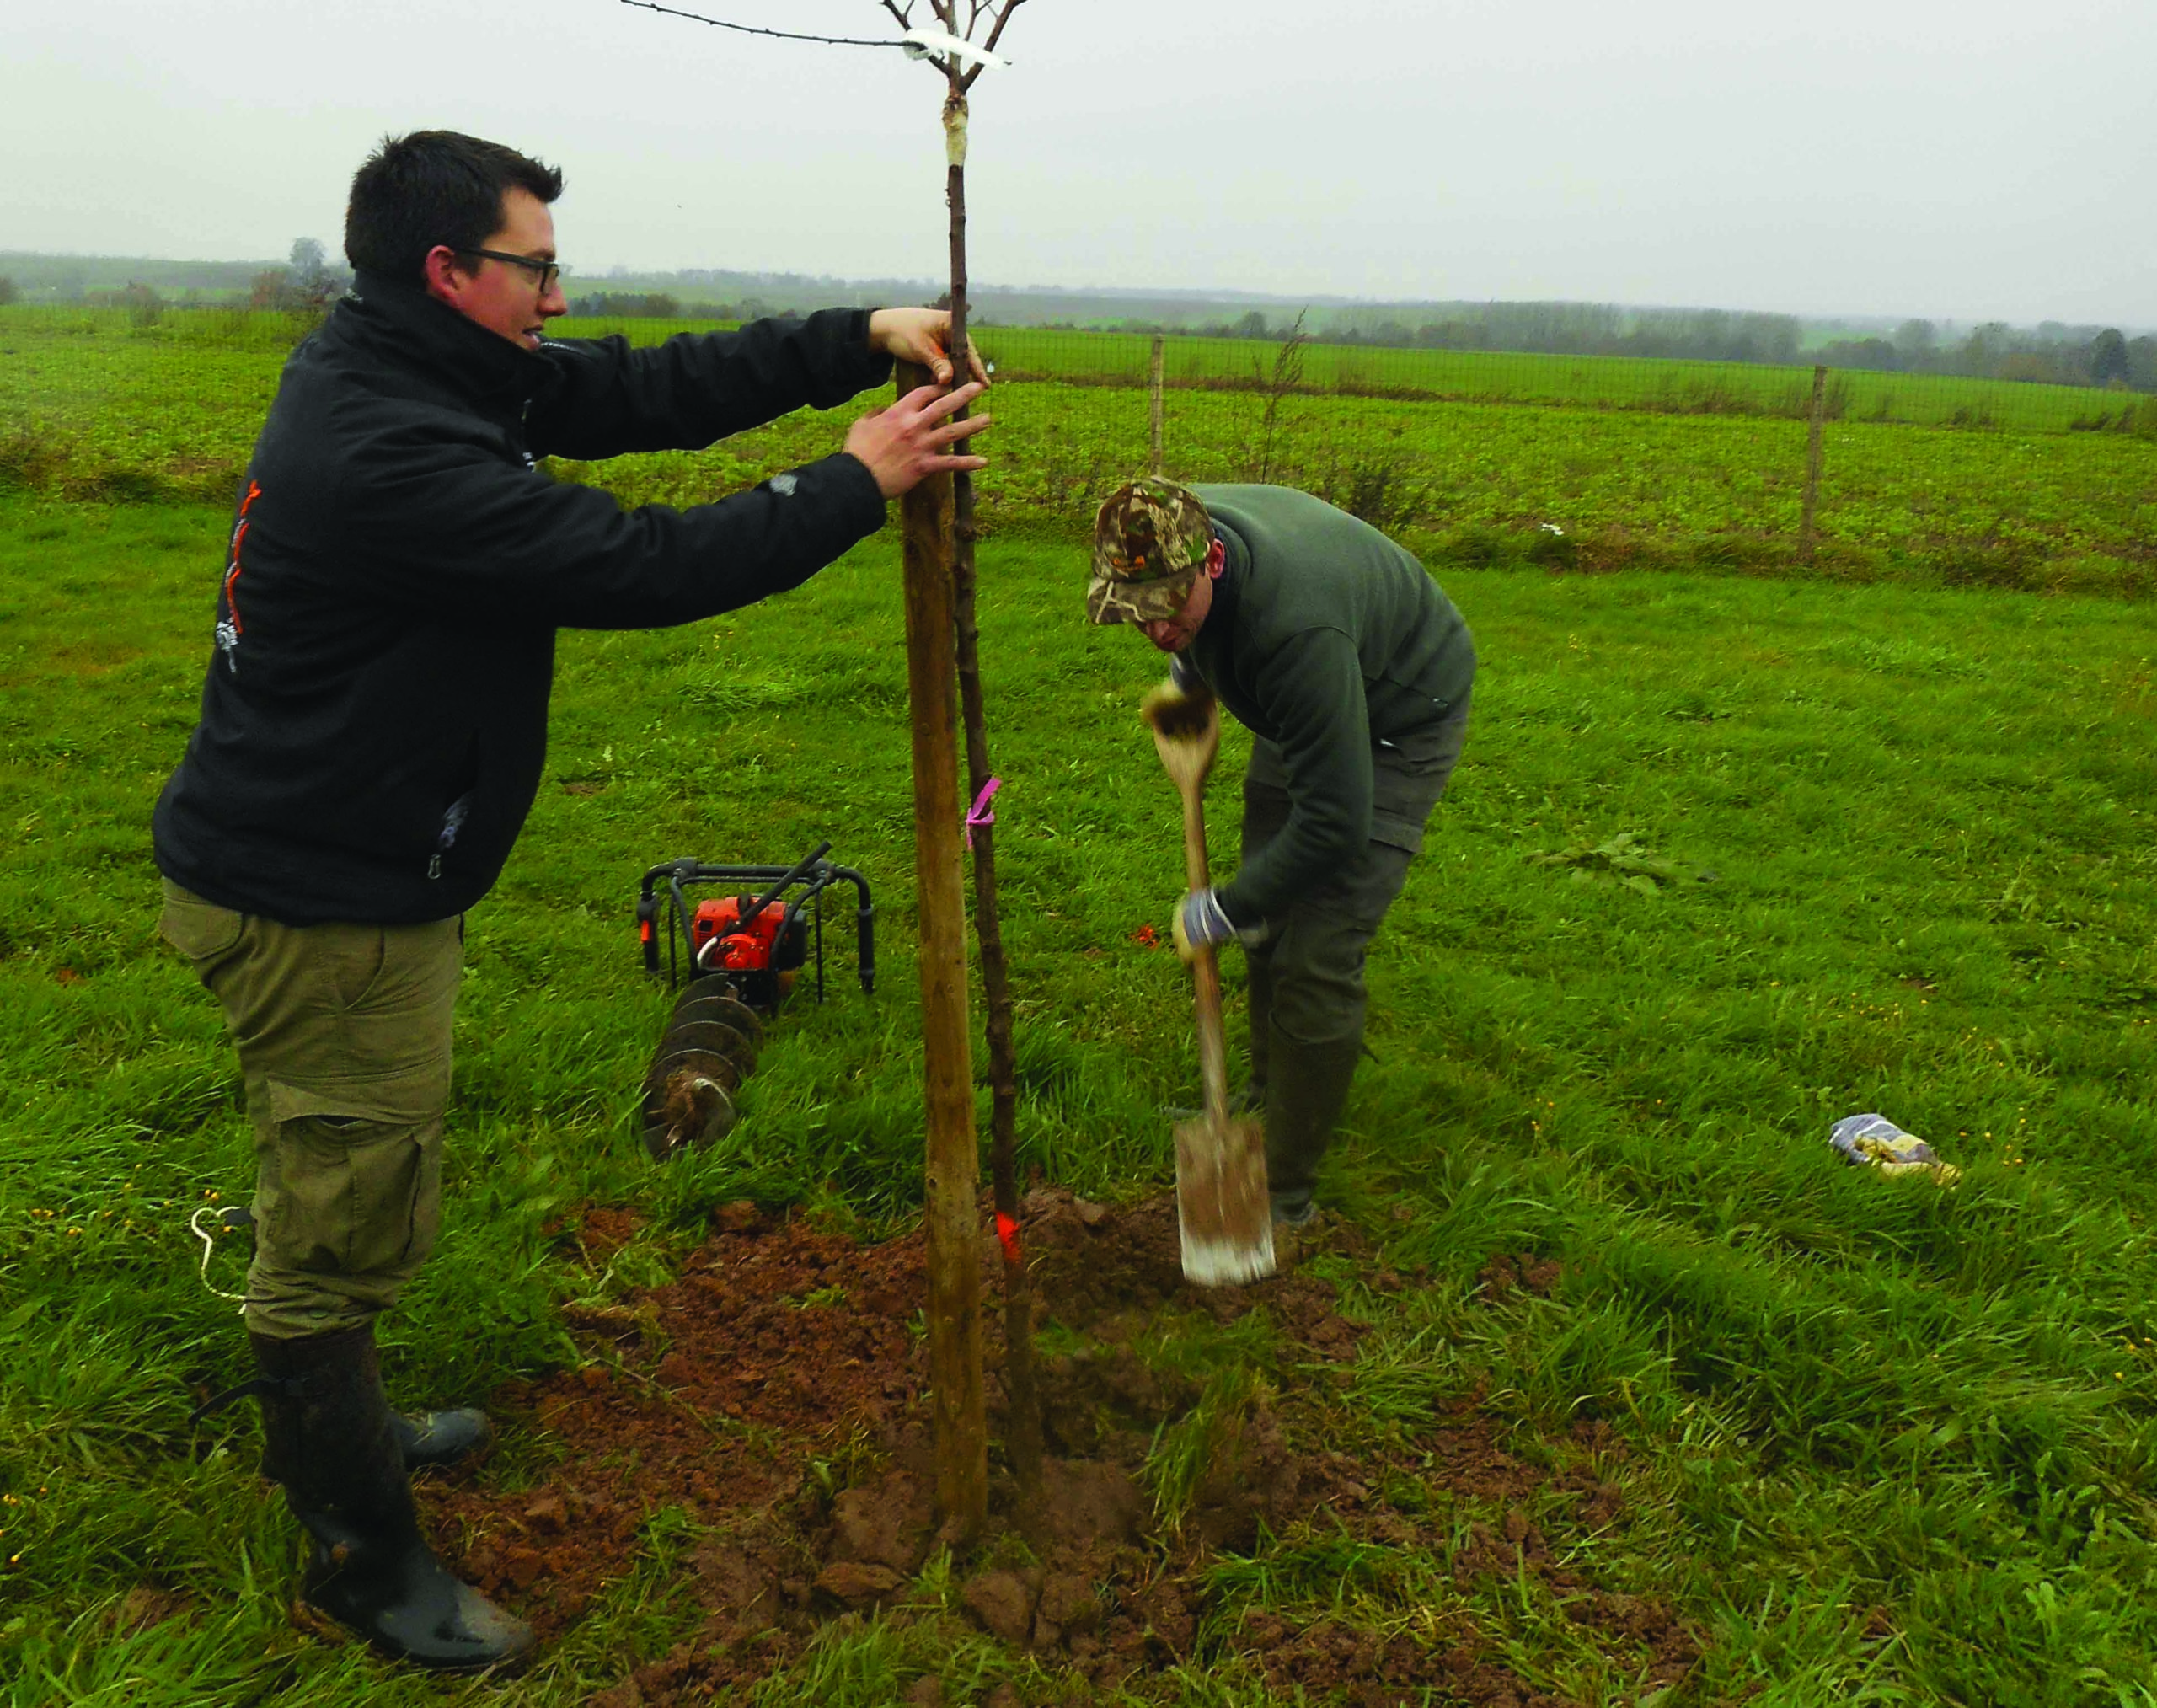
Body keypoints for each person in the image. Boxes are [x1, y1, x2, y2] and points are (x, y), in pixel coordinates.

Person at [154, 129, 989, 1672]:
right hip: (317, 902)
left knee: (364, 1171)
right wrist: (854, 481)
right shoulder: (394, 445)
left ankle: (365, 1420)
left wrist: (846, 339)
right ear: (448, 271)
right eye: (535, 266)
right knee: (335, 1216)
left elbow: (637, 391)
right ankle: (364, 1559)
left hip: (351, 863)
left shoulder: (430, 364)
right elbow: (641, 561)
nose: (559, 291)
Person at [1087, 478, 1475, 1229]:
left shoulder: (1296, 631)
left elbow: (1335, 823)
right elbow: (1190, 630)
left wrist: (1223, 907)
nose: (1158, 628)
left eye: (1170, 608)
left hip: (1400, 707)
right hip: (1309, 696)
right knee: (1267, 919)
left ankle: (1284, 1197)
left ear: (1214, 565)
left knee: (1316, 951)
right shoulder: (1164, 521)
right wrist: (1186, 676)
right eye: (1139, 614)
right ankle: (1268, 1092)